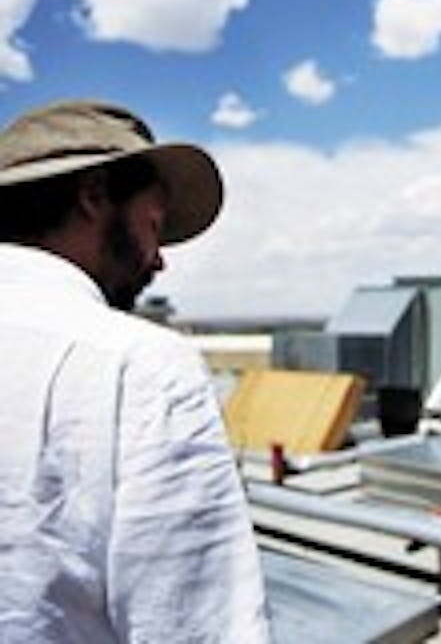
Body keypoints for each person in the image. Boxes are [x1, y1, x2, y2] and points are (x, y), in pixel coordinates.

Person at [0, 101, 270, 642]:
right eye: (153, 222)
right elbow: (195, 627)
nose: (159, 259)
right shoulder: (139, 364)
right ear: (94, 196)